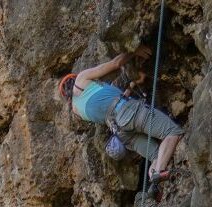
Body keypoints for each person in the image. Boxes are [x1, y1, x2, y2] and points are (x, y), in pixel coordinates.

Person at [58, 51, 183, 183]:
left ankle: (153, 183)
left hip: (121, 132)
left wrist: (131, 85)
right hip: (129, 113)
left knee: (156, 156)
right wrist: (135, 49)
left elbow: (109, 102)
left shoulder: (76, 110)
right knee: (172, 132)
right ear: (73, 78)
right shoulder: (81, 79)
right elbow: (116, 63)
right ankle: (158, 172)